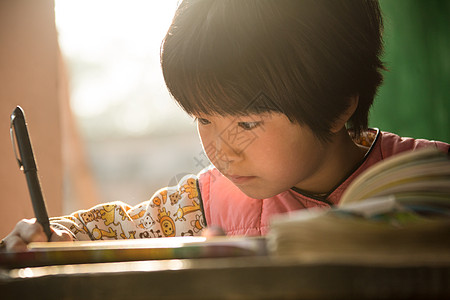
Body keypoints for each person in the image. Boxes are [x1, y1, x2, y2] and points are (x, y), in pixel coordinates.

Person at [2, 0, 449, 252]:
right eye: (203, 118)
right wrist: (53, 236)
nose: (221, 150)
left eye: (248, 122)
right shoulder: (205, 204)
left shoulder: (432, 176)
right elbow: (114, 230)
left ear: (338, 107)